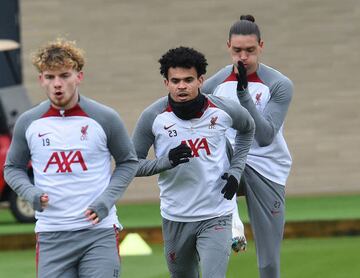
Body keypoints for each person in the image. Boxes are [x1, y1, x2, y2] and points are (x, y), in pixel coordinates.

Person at [4, 38, 138, 278]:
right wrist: (31, 193)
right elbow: (12, 168)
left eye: (65, 75)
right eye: (50, 77)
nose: (58, 84)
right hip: (51, 235)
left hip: (98, 233)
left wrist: (106, 200)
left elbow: (127, 162)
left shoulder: (105, 117)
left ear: (79, 76)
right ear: (41, 80)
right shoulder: (29, 122)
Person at [132, 46, 255, 278]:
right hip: (175, 216)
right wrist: (165, 162)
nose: (182, 86)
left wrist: (236, 169)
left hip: (216, 213)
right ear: (166, 83)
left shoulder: (222, 109)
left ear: (200, 80)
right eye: (175, 80)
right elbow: (131, 164)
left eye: (188, 80)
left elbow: (248, 129)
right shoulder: (153, 117)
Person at [202, 15, 294, 278]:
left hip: (267, 167)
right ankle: (232, 224)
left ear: (261, 46)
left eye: (250, 50)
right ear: (228, 46)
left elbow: (265, 136)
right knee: (210, 151)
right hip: (230, 161)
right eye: (237, 50)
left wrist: (244, 96)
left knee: (268, 261)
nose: (243, 57)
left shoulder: (279, 85)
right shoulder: (215, 84)